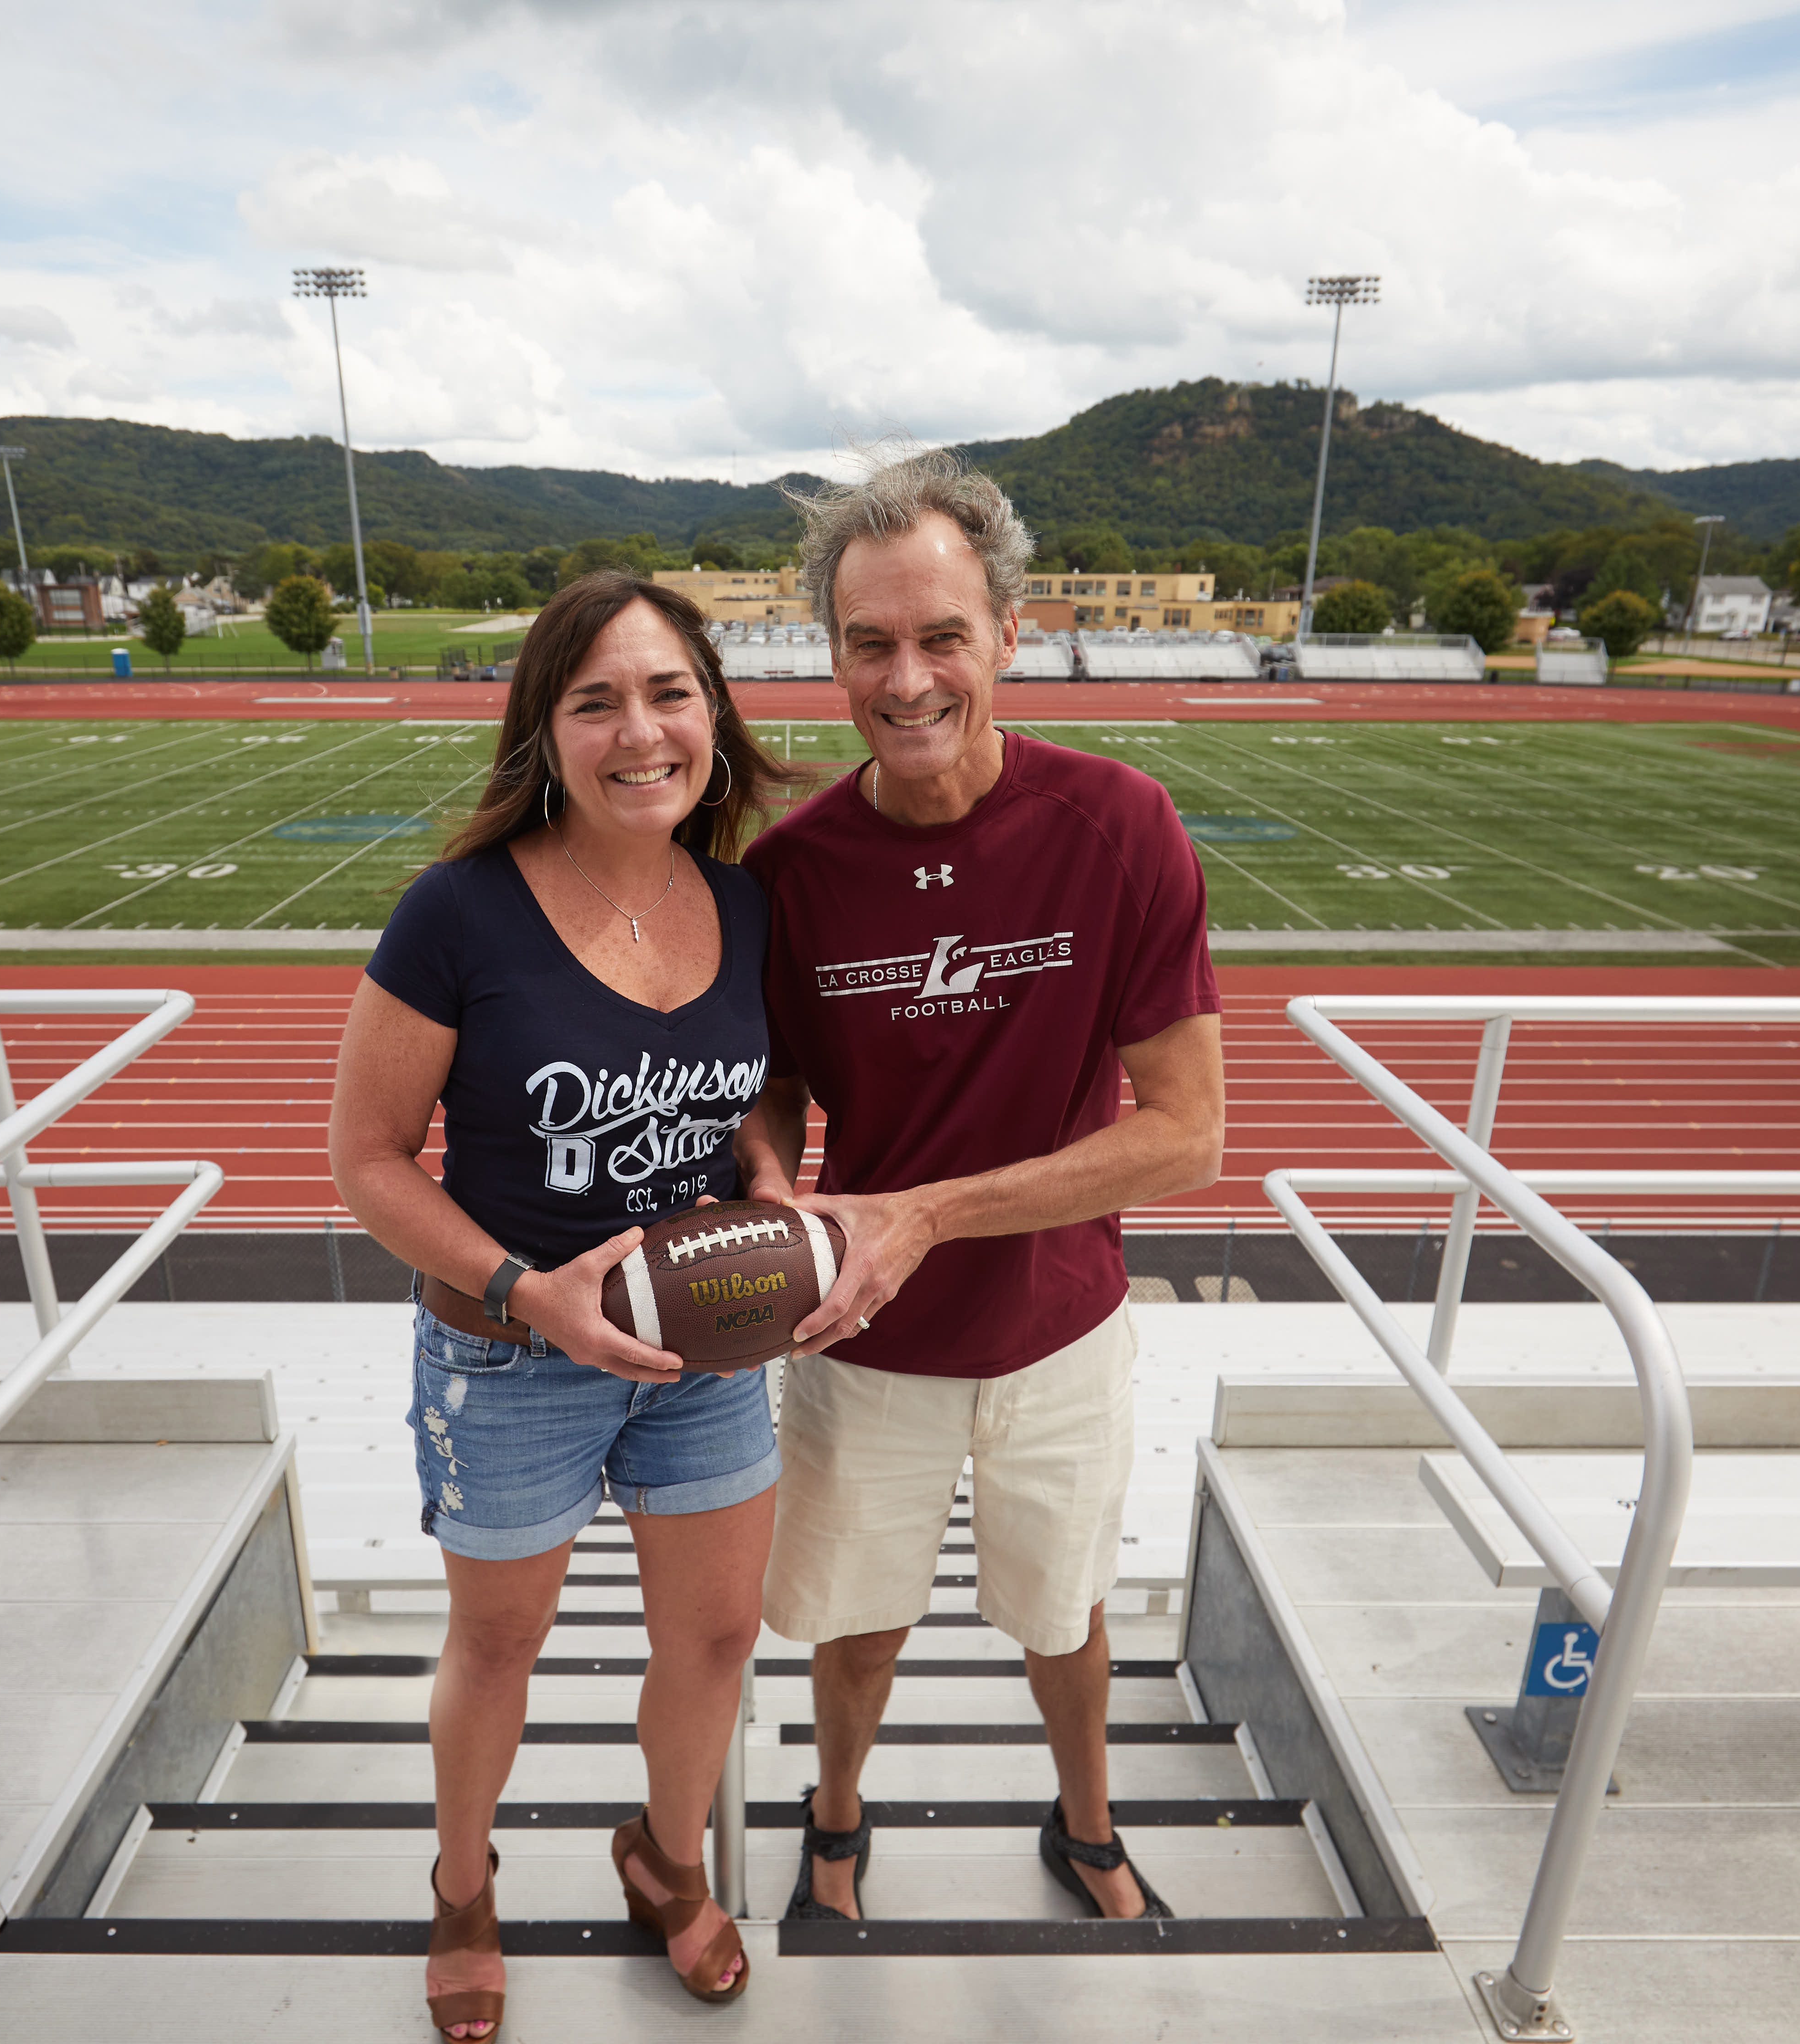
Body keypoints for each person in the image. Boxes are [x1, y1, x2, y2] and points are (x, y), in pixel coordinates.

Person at [732, 450, 1226, 1924]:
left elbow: (1185, 1135)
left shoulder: (1122, 825)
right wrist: (771, 1181)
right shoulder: (793, 871)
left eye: (942, 635)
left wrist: (927, 1212)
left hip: (1059, 1327)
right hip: (861, 1342)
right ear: (830, 656)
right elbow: (773, 1088)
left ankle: (1085, 1823)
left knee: (1063, 1615)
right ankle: (834, 1817)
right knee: (854, 1621)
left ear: (1011, 633)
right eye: (870, 642)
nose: (908, 677)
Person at [328, 570, 804, 2039]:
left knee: (720, 1638)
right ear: (545, 730)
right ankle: (462, 1887)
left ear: (712, 714)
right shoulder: (457, 912)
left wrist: (779, 1183)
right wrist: (531, 1293)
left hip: (703, 1347)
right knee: (498, 1646)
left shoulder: (741, 898)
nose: (640, 730)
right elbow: (363, 1159)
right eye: (596, 700)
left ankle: (665, 1861)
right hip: (511, 1355)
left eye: (669, 693)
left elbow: (760, 1090)